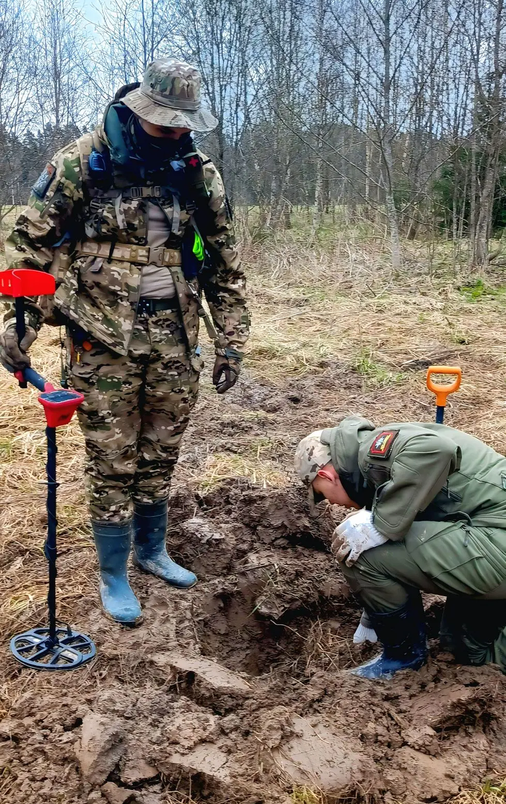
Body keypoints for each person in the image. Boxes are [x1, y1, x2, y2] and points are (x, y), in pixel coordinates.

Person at [0, 58, 249, 625]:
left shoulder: (196, 172)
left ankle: (151, 550)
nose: (176, 133)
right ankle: (113, 571)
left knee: (161, 449)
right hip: (101, 334)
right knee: (112, 457)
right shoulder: (83, 160)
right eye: (166, 123)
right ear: (139, 112)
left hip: (176, 334)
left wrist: (232, 341)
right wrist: (20, 325)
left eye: (184, 125)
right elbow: (33, 245)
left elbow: (225, 262)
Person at [294, 416, 506, 680]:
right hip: (490, 535)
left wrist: (381, 525)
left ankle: (403, 660)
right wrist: (372, 618)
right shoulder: (375, 469)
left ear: (327, 475)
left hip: (496, 537)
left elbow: (437, 449)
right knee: (464, 649)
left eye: (322, 494)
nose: (331, 503)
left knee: (362, 551)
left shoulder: (373, 452)